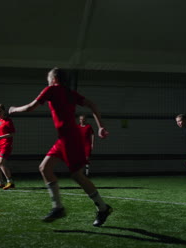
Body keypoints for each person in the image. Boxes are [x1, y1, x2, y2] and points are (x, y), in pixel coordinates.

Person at [9, 67, 112, 227]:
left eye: (48, 78)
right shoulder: (69, 93)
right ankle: (58, 207)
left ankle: (103, 208)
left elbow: (31, 107)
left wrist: (14, 109)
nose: (47, 81)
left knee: (77, 176)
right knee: (44, 168)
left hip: (71, 139)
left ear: (54, 79)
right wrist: (101, 126)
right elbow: (91, 104)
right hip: (63, 139)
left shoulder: (52, 90)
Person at [0, 104, 16, 190]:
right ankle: (0, 182)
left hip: (6, 144)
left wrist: (2, 137)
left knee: (0, 163)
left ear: (4, 111)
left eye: (0, 111)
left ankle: (10, 182)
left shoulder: (8, 121)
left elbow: (12, 134)